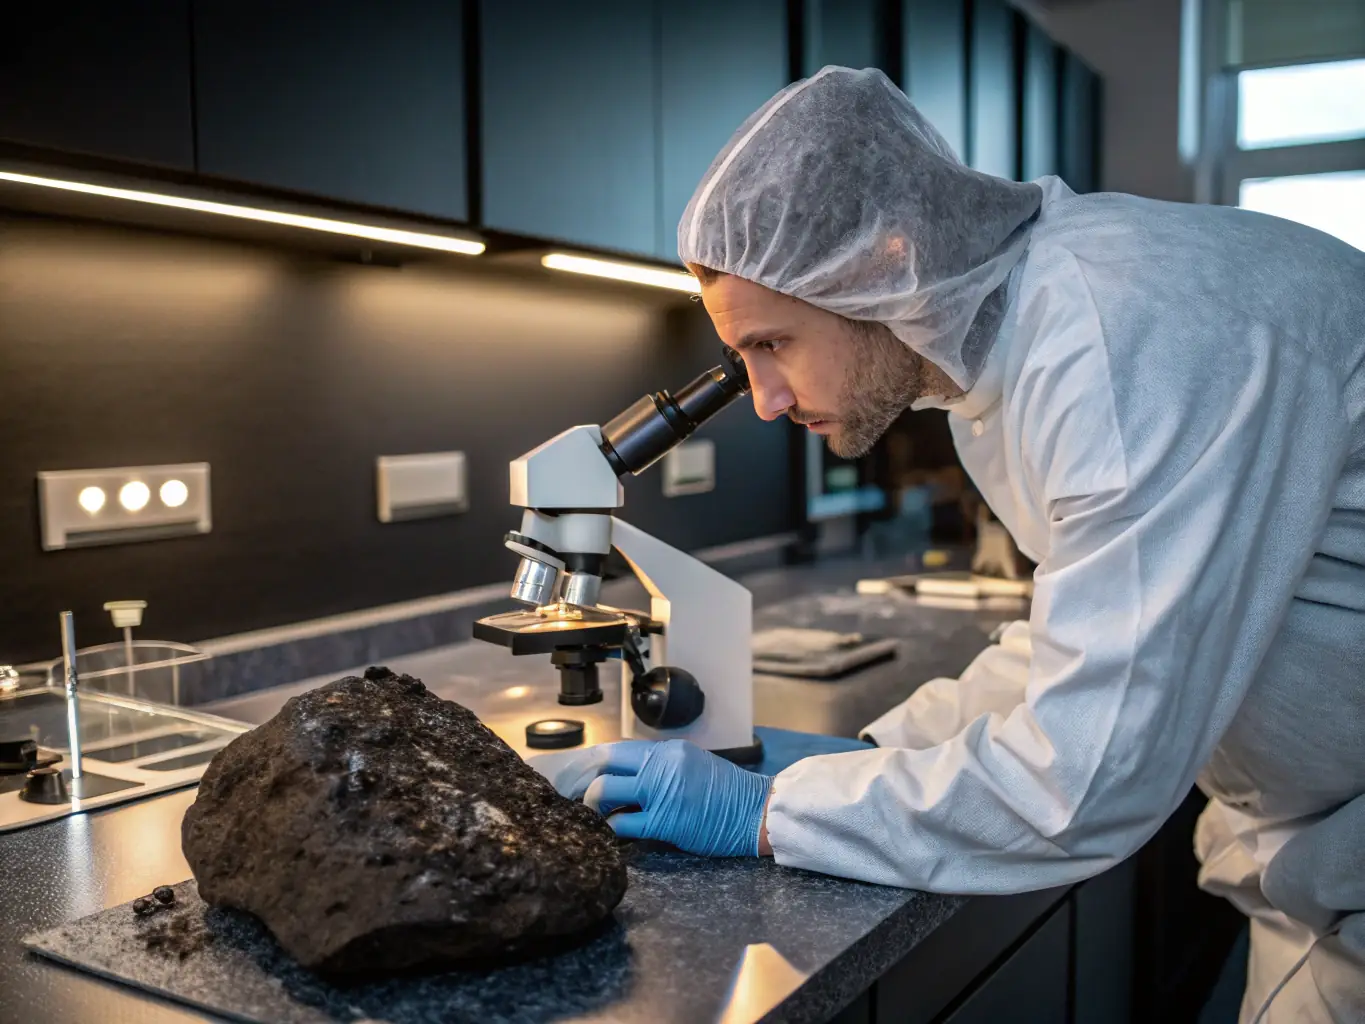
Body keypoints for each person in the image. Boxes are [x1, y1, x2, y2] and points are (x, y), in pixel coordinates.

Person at [533, 66, 1365, 1023]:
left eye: (772, 344)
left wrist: (763, 811)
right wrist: (866, 751)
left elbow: (1082, 778)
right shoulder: (992, 360)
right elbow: (1088, 632)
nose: (762, 400)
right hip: (1312, 848)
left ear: (883, 263)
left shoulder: (1124, 345)